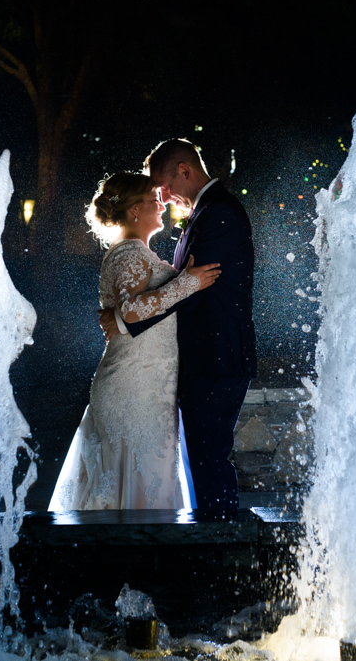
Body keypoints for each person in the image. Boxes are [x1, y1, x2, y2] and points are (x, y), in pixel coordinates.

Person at [101, 140, 257, 518]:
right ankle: (211, 542)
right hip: (199, 359)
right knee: (203, 459)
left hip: (216, 357)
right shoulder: (206, 211)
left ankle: (219, 545)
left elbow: (195, 285)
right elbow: (185, 283)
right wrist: (129, 314)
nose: (163, 198)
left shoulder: (217, 212)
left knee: (209, 459)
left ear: (184, 170)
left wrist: (123, 320)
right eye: (155, 193)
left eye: (163, 186)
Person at [49, 173, 220, 510]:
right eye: (153, 199)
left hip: (149, 387)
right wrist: (188, 283)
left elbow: (135, 312)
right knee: (134, 490)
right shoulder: (130, 253)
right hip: (133, 389)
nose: (161, 204)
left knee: (144, 486)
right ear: (133, 211)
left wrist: (181, 280)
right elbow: (131, 311)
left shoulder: (139, 253)